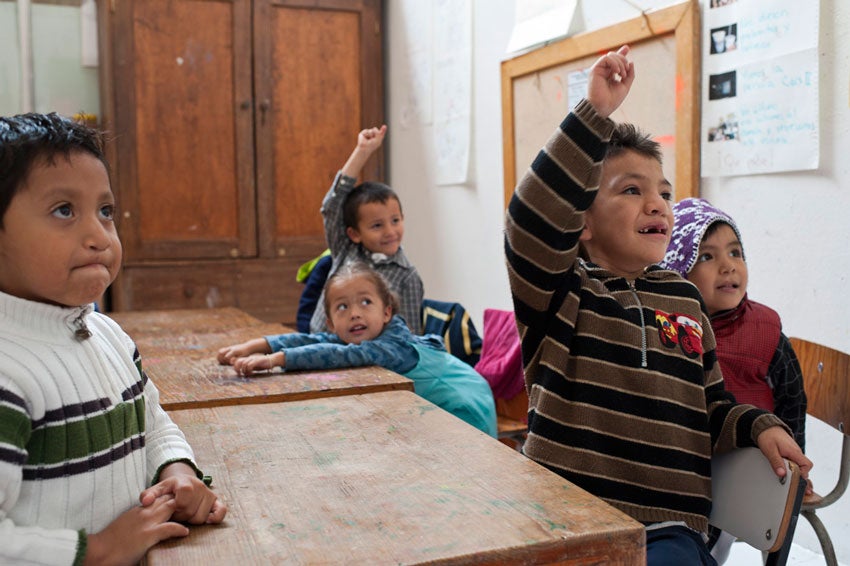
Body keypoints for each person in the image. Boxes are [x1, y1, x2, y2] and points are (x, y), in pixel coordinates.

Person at [503, 45, 811, 565]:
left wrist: (759, 425)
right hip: (565, 524)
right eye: (630, 191)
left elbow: (710, 407)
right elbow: (529, 221)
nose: (656, 205)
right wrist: (592, 115)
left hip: (668, 530)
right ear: (582, 221)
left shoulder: (685, 298)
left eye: (664, 194)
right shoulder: (562, 293)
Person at [0, 112, 227, 565]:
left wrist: (174, 468)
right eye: (64, 210)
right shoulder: (8, 371)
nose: (99, 235)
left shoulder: (107, 333)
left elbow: (150, 419)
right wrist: (94, 552)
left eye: (105, 211)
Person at [661, 197, 808, 563]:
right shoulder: (671, 328)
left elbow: (793, 399)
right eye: (707, 257)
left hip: (750, 471)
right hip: (687, 471)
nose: (728, 267)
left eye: (735, 252)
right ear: (679, 270)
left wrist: (795, 475)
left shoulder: (765, 329)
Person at [218, 262, 496, 437]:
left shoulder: (390, 344)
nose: (354, 313)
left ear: (386, 311)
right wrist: (255, 345)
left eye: (365, 302)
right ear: (330, 321)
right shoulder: (363, 334)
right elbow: (319, 343)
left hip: (464, 408)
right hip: (437, 410)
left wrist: (273, 360)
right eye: (343, 306)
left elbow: (337, 354)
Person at [309, 125, 424, 335]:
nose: (390, 231)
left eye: (395, 221)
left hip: (370, 358)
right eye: (377, 225)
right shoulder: (346, 249)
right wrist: (362, 152)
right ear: (354, 234)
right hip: (323, 344)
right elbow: (331, 207)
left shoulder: (407, 276)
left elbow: (408, 335)